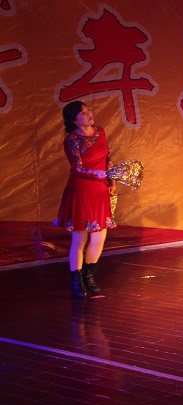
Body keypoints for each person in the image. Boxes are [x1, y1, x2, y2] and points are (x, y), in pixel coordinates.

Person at [54, 101, 117, 298]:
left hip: (100, 189)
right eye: (83, 113)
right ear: (75, 120)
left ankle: (89, 276)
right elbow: (78, 167)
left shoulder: (100, 131)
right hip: (81, 190)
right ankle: (77, 281)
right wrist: (97, 174)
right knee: (80, 237)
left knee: (99, 236)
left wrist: (111, 179)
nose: (89, 114)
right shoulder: (72, 140)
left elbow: (107, 157)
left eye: (89, 110)